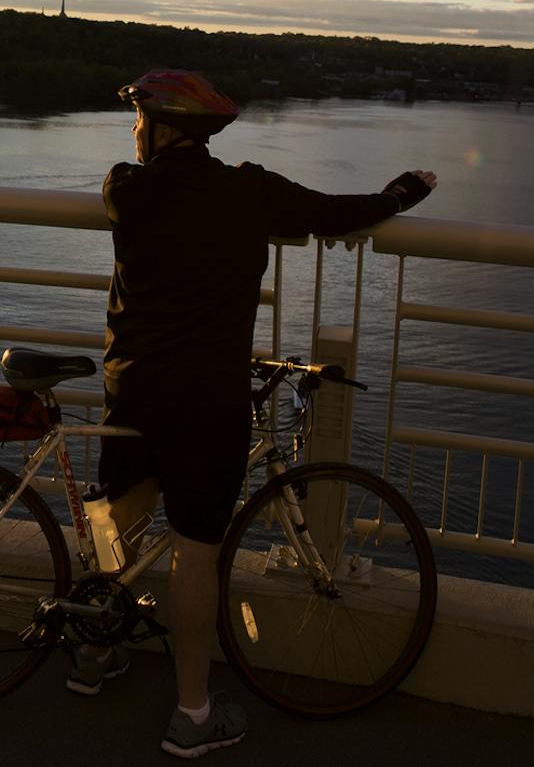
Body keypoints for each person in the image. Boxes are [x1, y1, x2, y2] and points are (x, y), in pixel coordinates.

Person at [78, 68, 437, 758]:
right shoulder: (250, 191)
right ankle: (192, 713)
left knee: (118, 518)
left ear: (163, 127)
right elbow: (335, 211)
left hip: (135, 386)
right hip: (208, 399)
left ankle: (92, 656)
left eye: (139, 119)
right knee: (194, 554)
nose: (132, 129)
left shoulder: (126, 187)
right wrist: (401, 192)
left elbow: (126, 186)